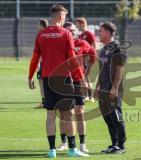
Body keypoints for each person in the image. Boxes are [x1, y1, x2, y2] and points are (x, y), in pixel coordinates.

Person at [28, 4, 89, 158]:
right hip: (63, 80)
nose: (65, 19)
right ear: (61, 16)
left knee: (50, 115)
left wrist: (30, 77)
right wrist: (81, 78)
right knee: (67, 114)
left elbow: (35, 58)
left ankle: (52, 151)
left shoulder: (41, 35)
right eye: (64, 16)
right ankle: (72, 149)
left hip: (47, 79)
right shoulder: (66, 34)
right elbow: (73, 59)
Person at [57, 22, 96, 153]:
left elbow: (93, 55)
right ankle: (64, 143)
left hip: (78, 81)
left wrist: (87, 72)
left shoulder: (82, 43)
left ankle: (82, 144)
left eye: (73, 30)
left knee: (80, 112)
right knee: (65, 113)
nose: (72, 32)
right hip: (64, 82)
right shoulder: (59, 45)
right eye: (69, 30)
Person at [94, 21, 127, 154]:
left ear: (108, 33)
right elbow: (101, 70)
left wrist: (114, 88)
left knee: (116, 115)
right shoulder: (103, 50)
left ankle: (121, 145)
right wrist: (97, 86)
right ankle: (114, 144)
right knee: (107, 116)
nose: (99, 34)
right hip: (103, 88)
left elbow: (120, 69)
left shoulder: (118, 48)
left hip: (114, 89)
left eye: (101, 31)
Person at [75, 17, 97, 102]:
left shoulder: (88, 34)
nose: (77, 27)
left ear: (82, 24)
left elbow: (94, 46)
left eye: (78, 24)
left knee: (86, 77)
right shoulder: (80, 35)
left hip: (88, 59)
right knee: (83, 77)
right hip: (82, 60)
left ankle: (90, 96)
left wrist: (91, 57)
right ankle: (86, 95)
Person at [34, 18, 48, 109]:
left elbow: (39, 51)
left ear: (42, 25)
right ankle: (48, 102)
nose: (37, 26)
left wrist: (38, 63)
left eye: (38, 24)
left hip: (43, 62)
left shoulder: (41, 35)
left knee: (42, 83)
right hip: (49, 62)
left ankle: (44, 102)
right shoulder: (49, 34)